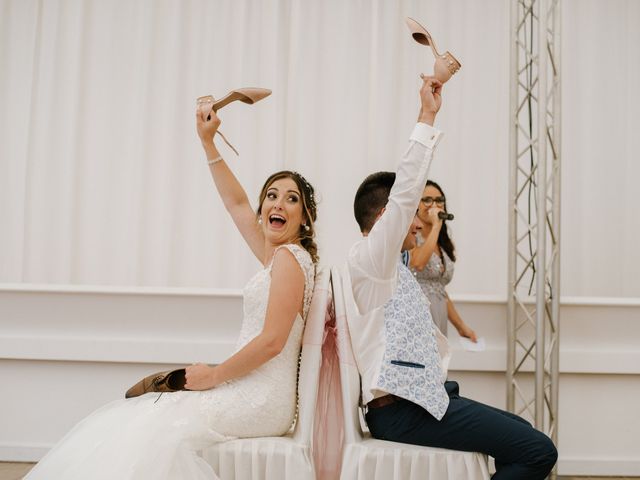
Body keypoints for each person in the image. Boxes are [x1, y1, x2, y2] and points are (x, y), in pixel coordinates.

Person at [25, 105, 318, 479]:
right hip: (247, 388)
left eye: (291, 199)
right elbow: (236, 203)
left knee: (156, 423)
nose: (278, 203)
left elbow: (274, 341)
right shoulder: (273, 256)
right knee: (149, 415)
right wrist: (208, 142)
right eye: (272, 196)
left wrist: (215, 375)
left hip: (259, 398)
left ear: (305, 217)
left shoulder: (290, 260)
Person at [342, 74, 557, 479]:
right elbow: (405, 191)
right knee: (538, 451)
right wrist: (426, 114)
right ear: (390, 216)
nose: (420, 224)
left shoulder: (392, 267)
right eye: (412, 216)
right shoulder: (371, 260)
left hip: (425, 399)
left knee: (525, 436)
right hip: (402, 410)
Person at [406, 179, 477, 341]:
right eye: (427, 200)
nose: (434, 205)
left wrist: (462, 327)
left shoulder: (442, 242)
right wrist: (436, 225)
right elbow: (418, 263)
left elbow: (439, 291)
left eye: (439, 200)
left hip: (439, 316)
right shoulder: (410, 237)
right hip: (417, 315)